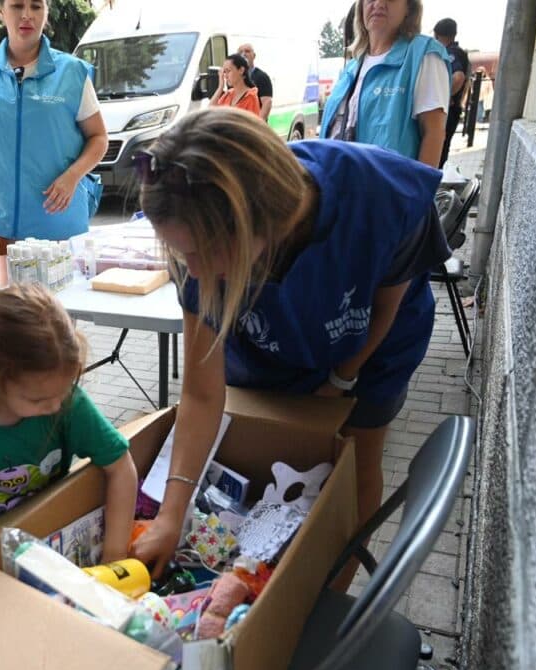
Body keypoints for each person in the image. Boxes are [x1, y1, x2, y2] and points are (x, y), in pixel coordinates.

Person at [128, 108, 451, 587]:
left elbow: (385, 305)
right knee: (271, 454)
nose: (192, 271)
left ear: (256, 220)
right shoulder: (201, 241)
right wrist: (172, 515)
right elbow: (200, 395)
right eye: (181, 254)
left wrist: (341, 379)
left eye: (202, 253)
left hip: (372, 342)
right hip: (273, 336)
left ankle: (330, 597)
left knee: (354, 465)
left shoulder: (379, 195)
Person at [0, 284, 138, 564]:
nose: (54, 406)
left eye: (63, 391)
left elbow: (121, 466)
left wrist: (114, 557)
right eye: (38, 399)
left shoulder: (68, 404)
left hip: (53, 551)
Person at [0, 0, 109, 288]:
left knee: (60, 316)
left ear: (46, 14)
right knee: (13, 314)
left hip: (58, 216)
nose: (26, 15)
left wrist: (72, 177)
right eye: (17, 5)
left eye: (36, 6)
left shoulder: (72, 72)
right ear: (1, 12)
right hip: (0, 218)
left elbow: (99, 138)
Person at [320, 0, 451, 167]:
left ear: (409, 8)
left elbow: (434, 132)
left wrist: (417, 192)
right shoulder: (352, 68)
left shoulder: (422, 55)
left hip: (389, 191)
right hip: (338, 186)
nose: (379, 3)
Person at [433, 18, 470, 168]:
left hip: (448, 110)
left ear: (438, 36)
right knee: (442, 149)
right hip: (453, 109)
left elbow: (458, 77)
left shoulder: (450, 53)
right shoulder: (459, 52)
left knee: (438, 149)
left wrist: (444, 97)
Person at [210, 53, 261, 118]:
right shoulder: (228, 94)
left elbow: (252, 125)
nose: (225, 75)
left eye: (228, 71)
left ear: (241, 70)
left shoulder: (251, 97)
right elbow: (210, 112)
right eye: (224, 72)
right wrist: (220, 87)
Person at [237, 43, 273, 122]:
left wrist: (258, 123)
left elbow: (267, 102)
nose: (243, 54)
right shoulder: (235, 77)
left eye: (247, 51)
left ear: (254, 56)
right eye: (240, 52)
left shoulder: (262, 77)